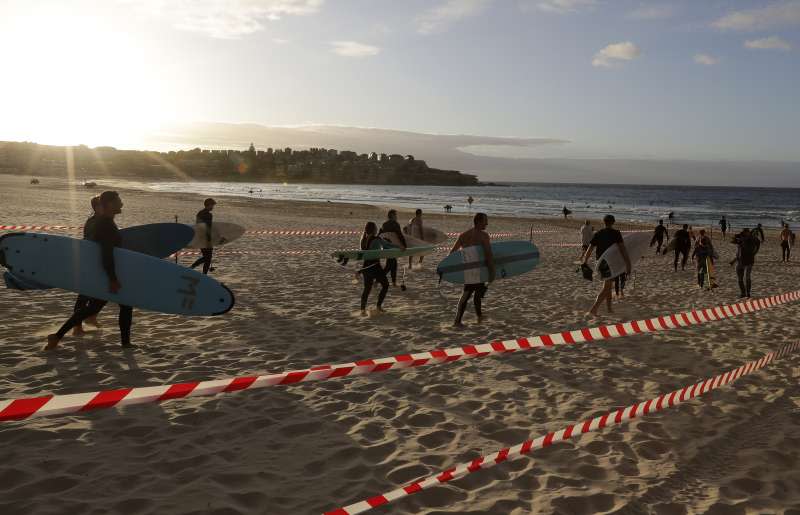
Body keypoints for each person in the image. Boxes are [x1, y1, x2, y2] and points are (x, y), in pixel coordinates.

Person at [46, 191, 134, 350]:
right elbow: (106, 253)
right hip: (104, 272)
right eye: (118, 201)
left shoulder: (97, 222)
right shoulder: (106, 225)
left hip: (97, 271)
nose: (122, 204)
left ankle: (57, 336)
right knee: (125, 305)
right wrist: (112, 278)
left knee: (94, 307)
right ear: (109, 204)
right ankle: (126, 344)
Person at [581, 214, 630, 316]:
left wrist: (585, 261)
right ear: (613, 222)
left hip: (600, 263)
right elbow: (622, 249)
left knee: (608, 285)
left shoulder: (598, 233)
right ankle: (593, 309)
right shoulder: (616, 233)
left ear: (604, 222)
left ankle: (609, 308)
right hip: (610, 263)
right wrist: (628, 263)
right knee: (607, 287)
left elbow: (590, 248)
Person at [451, 212, 494, 327]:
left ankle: (476, 317)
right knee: (470, 294)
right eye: (485, 221)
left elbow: (451, 254)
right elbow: (488, 255)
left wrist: (456, 270)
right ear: (479, 222)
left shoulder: (463, 235)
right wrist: (491, 271)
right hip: (479, 269)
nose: (487, 223)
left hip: (468, 270)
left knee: (474, 293)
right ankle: (458, 321)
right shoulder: (484, 236)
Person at [72, 195, 103, 335]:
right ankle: (77, 326)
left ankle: (91, 317)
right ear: (96, 207)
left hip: (95, 260)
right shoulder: (94, 222)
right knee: (85, 295)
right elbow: (91, 241)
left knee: (96, 293)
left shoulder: (97, 220)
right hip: (92, 260)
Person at [359, 222, 389, 315]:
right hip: (375, 266)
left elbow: (362, 253)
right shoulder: (377, 239)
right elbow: (387, 246)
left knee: (367, 289)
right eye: (376, 228)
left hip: (366, 267)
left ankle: (362, 310)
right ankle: (378, 307)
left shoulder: (363, 240)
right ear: (374, 230)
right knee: (385, 285)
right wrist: (400, 248)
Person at [379, 209, 406, 287]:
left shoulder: (384, 224)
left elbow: (381, 235)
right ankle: (378, 280)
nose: (396, 217)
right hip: (393, 246)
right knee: (389, 266)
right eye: (395, 215)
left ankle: (394, 282)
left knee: (393, 264)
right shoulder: (395, 224)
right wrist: (404, 245)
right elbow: (400, 235)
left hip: (386, 246)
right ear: (393, 216)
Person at [190, 198, 216, 274]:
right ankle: (203, 274)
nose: (213, 207)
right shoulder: (209, 215)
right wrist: (210, 240)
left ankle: (193, 266)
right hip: (206, 239)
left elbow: (198, 225)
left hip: (199, 237)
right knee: (208, 258)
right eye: (212, 205)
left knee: (206, 257)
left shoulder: (199, 213)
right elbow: (208, 227)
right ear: (209, 205)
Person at [731, 228, 759, 298]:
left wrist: (739, 237)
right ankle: (746, 293)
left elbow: (733, 241)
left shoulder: (745, 240)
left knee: (744, 277)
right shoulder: (752, 240)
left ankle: (745, 293)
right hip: (746, 260)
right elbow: (734, 243)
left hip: (745, 261)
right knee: (745, 277)